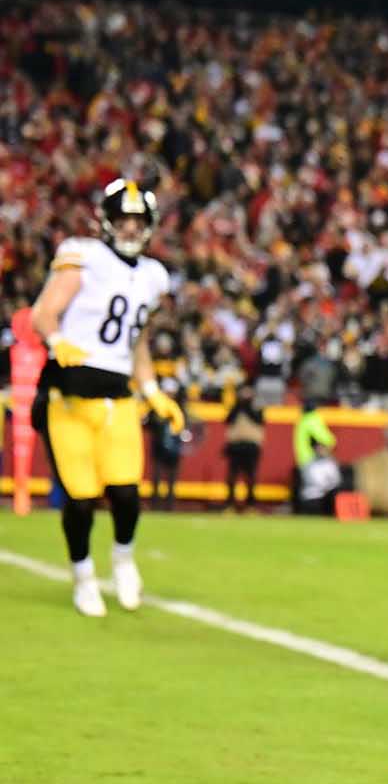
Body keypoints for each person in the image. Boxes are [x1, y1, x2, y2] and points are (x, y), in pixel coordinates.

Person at [25, 181, 183, 618]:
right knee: (79, 498)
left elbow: (137, 341)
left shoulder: (153, 275)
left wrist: (152, 390)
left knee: (127, 494)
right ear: (107, 221)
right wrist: (58, 342)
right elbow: (43, 313)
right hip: (70, 396)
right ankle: (83, 577)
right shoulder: (85, 256)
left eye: (138, 221)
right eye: (123, 219)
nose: (130, 228)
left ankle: (124, 559)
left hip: (118, 397)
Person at [222, 383, 264, 511]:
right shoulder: (235, 407)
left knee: (251, 477)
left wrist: (246, 405)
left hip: (251, 445)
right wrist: (239, 404)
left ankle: (250, 505)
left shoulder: (257, 407)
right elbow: (228, 420)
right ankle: (230, 504)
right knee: (231, 477)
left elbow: (257, 419)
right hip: (235, 445)